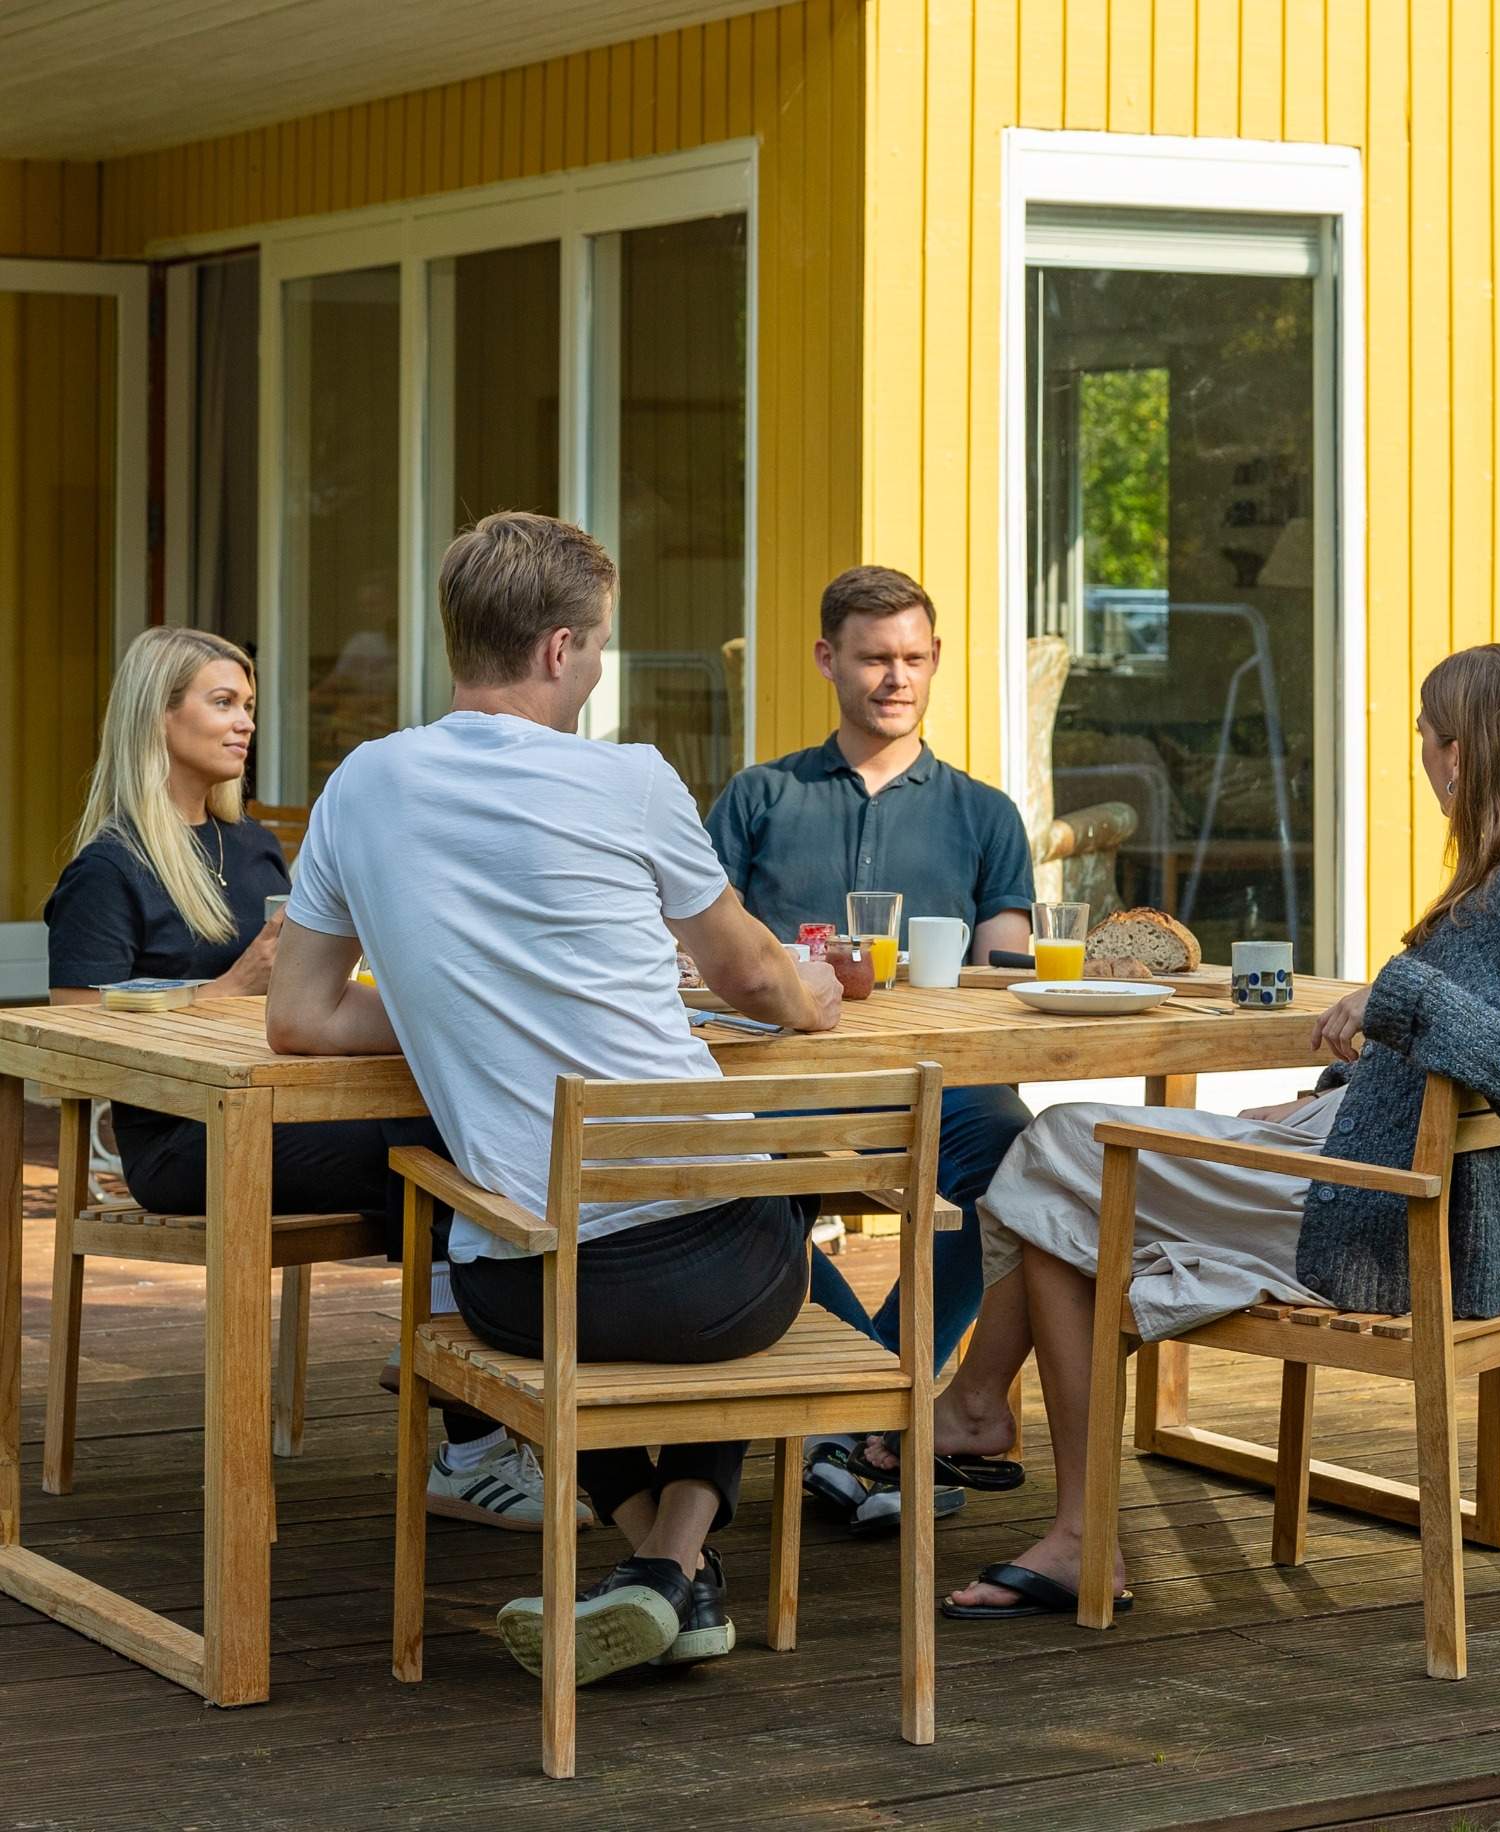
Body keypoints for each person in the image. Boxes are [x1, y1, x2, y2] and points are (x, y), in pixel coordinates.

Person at [900, 643, 1500, 1620]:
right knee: (1071, 1200)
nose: (1418, 755)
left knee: (1058, 1148)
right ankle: (1036, 1478)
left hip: (1385, 1217)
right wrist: (1330, 1088)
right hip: (1366, 1159)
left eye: (1424, 734)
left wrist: (1397, 995)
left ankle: (985, 1415)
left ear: (1460, 752)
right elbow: (1459, 1059)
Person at [266, 511, 844, 1687]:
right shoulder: (627, 777)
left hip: (515, 1286)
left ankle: (663, 1571)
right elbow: (747, 976)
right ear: (558, 651)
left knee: (596, 1330)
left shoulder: (362, 781)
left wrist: (456, 1009)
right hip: (716, 1275)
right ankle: (674, 1562)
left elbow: (302, 1017)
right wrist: (818, 996)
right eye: (599, 649)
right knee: (763, 1212)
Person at [42, 626, 562, 1533]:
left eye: (248, 704)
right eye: (222, 702)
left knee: (460, 1144)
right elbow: (73, 1035)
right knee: (439, 1153)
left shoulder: (250, 851)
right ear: (155, 717)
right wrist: (231, 987)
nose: (245, 723)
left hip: (279, 1113)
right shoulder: (109, 867)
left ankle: (476, 1401)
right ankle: (475, 1442)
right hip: (179, 1142)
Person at [704, 565, 1038, 1527]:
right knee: (726, 1178)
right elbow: (696, 949)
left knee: (1019, 1156)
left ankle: (857, 1415)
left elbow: (1004, 977)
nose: (898, 678)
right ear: (827, 660)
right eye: (875, 658)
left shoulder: (985, 814)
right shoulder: (760, 796)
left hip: (937, 1086)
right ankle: (877, 1422)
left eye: (915, 659)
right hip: (778, 1082)